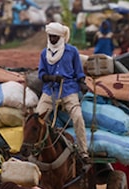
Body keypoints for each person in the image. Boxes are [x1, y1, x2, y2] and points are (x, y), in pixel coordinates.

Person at [35, 23, 88, 160]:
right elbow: (41, 75)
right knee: (37, 118)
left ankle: (83, 151)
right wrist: (52, 78)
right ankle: (34, 150)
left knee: (78, 118)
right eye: (50, 36)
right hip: (50, 90)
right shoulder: (44, 53)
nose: (52, 39)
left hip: (69, 90)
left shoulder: (72, 51)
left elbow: (79, 73)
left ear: (61, 37)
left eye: (55, 37)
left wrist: (82, 84)